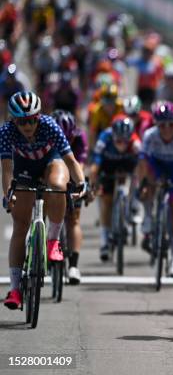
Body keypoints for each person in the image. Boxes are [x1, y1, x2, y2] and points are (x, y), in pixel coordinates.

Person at [2, 92, 86, 309]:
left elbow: (70, 160)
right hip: (24, 167)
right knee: (21, 226)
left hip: (52, 161)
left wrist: (81, 183)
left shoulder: (49, 125)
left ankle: (53, 241)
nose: (27, 126)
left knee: (57, 187)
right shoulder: (6, 131)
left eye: (31, 120)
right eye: (22, 121)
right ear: (14, 120)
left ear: (38, 117)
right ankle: (15, 289)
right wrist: (7, 195)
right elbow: (6, 170)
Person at [136, 101, 173, 278]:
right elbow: (142, 162)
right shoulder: (150, 135)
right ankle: (148, 216)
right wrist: (143, 184)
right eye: (162, 125)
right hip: (156, 164)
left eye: (171, 124)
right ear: (156, 124)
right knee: (148, 185)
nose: (167, 129)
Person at [89, 116, 141, 261]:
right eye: (118, 141)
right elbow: (95, 167)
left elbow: (142, 166)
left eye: (126, 141)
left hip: (127, 163)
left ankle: (130, 206)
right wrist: (93, 184)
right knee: (106, 201)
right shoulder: (104, 138)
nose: (122, 145)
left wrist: (139, 187)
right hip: (108, 165)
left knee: (137, 176)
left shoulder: (135, 143)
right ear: (113, 136)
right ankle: (104, 240)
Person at [51, 110, 88, 283]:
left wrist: (80, 185)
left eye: (68, 138)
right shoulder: (45, 135)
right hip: (50, 172)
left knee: (73, 219)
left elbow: (79, 164)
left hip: (73, 173)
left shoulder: (80, 137)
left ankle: (73, 266)